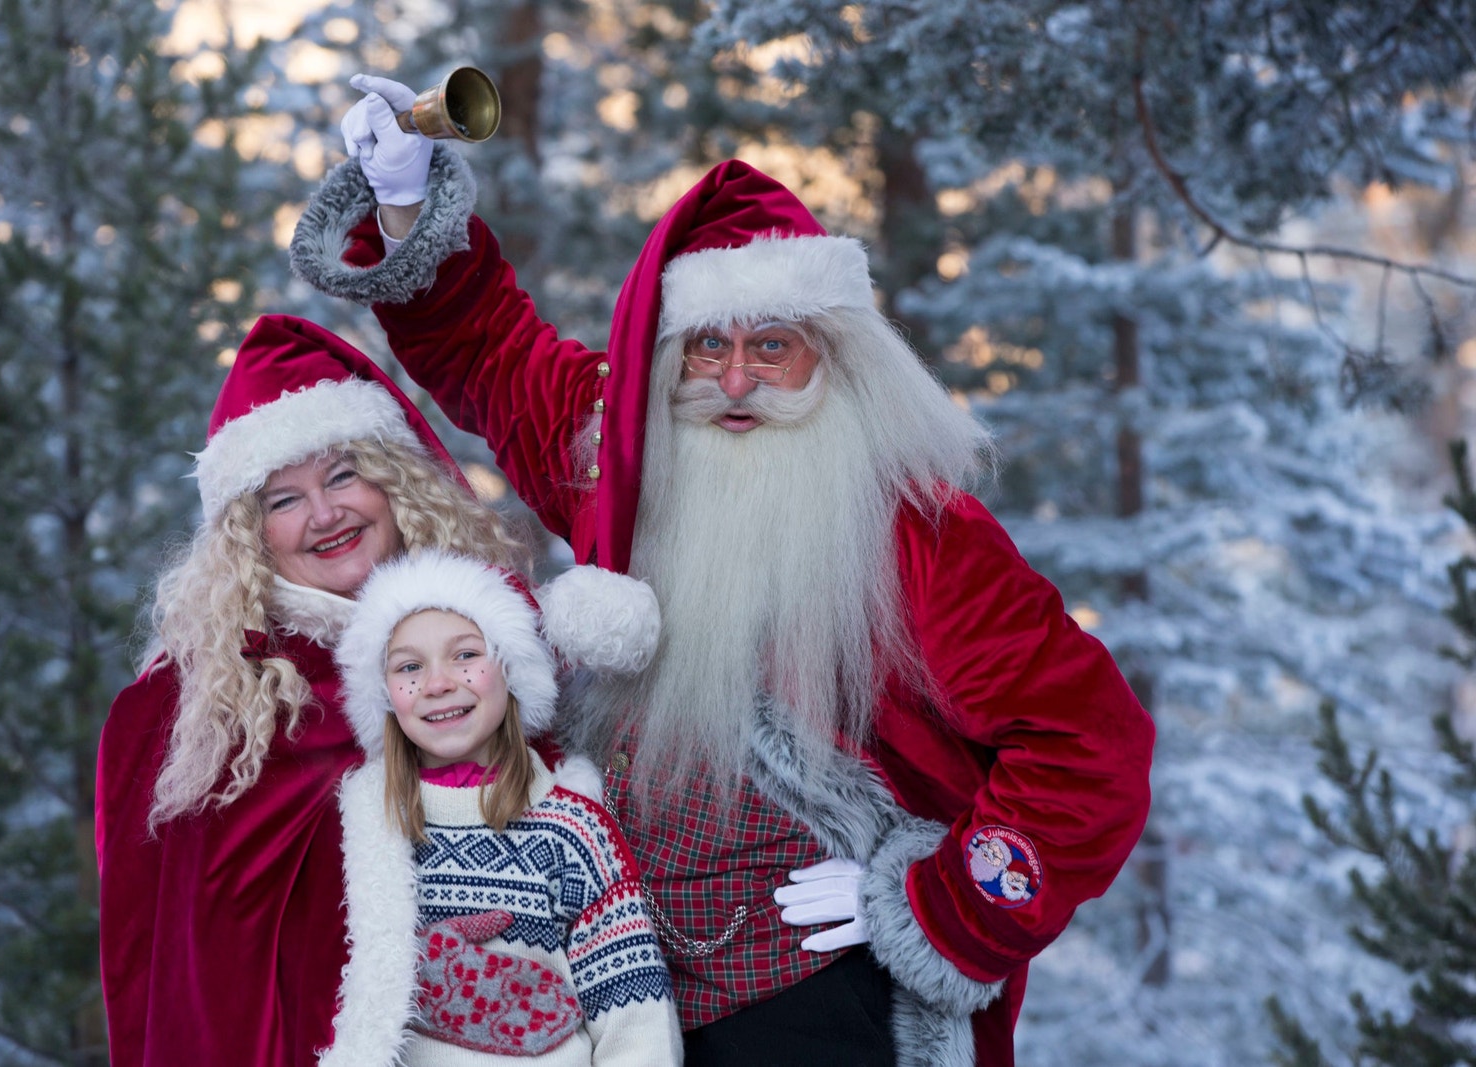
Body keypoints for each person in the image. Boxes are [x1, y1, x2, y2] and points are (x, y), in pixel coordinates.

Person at [288, 76, 1156, 1067]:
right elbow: (487, 347)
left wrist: (937, 901)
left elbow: (1089, 743)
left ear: (830, 355)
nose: (735, 379)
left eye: (770, 347)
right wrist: (404, 196)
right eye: (707, 346)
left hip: (815, 1000)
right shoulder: (612, 447)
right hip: (625, 991)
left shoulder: (916, 529)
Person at [95, 314, 531, 1067]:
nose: (325, 515)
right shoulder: (187, 705)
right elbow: (150, 958)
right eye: (283, 499)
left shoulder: (495, 643)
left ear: (396, 485)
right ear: (250, 533)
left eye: (341, 475)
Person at [320, 549, 681, 1066]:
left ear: (512, 671)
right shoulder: (366, 827)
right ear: (384, 696)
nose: (439, 683)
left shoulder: (571, 828)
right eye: (409, 666)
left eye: (466, 655)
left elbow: (633, 1012)